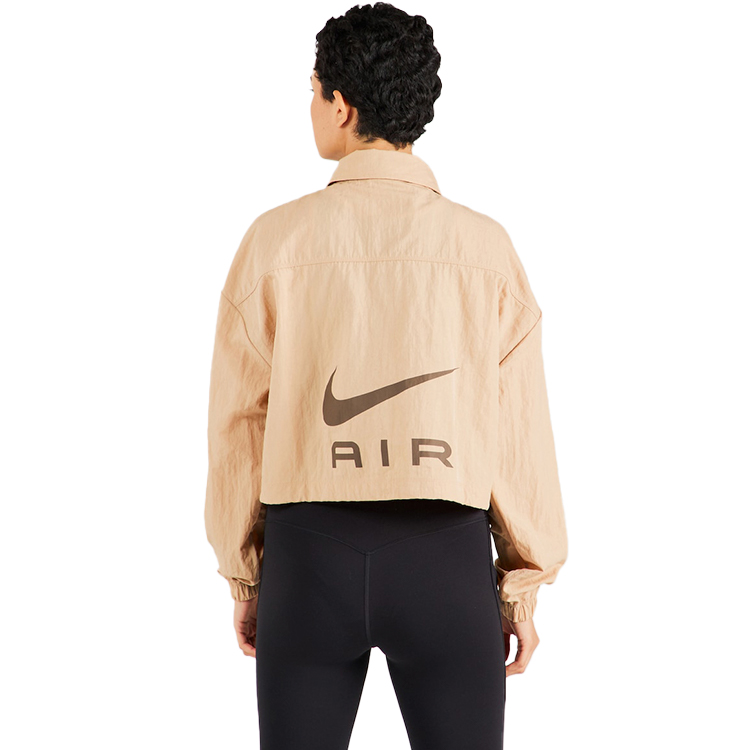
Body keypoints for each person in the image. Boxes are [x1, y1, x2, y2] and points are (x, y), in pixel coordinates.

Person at [204, 3, 568, 748]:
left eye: (313, 91)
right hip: (446, 563)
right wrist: (522, 587)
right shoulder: (485, 249)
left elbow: (240, 419)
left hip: (308, 562)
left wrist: (245, 573)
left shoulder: (274, 241)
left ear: (341, 104)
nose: (311, 107)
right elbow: (515, 429)